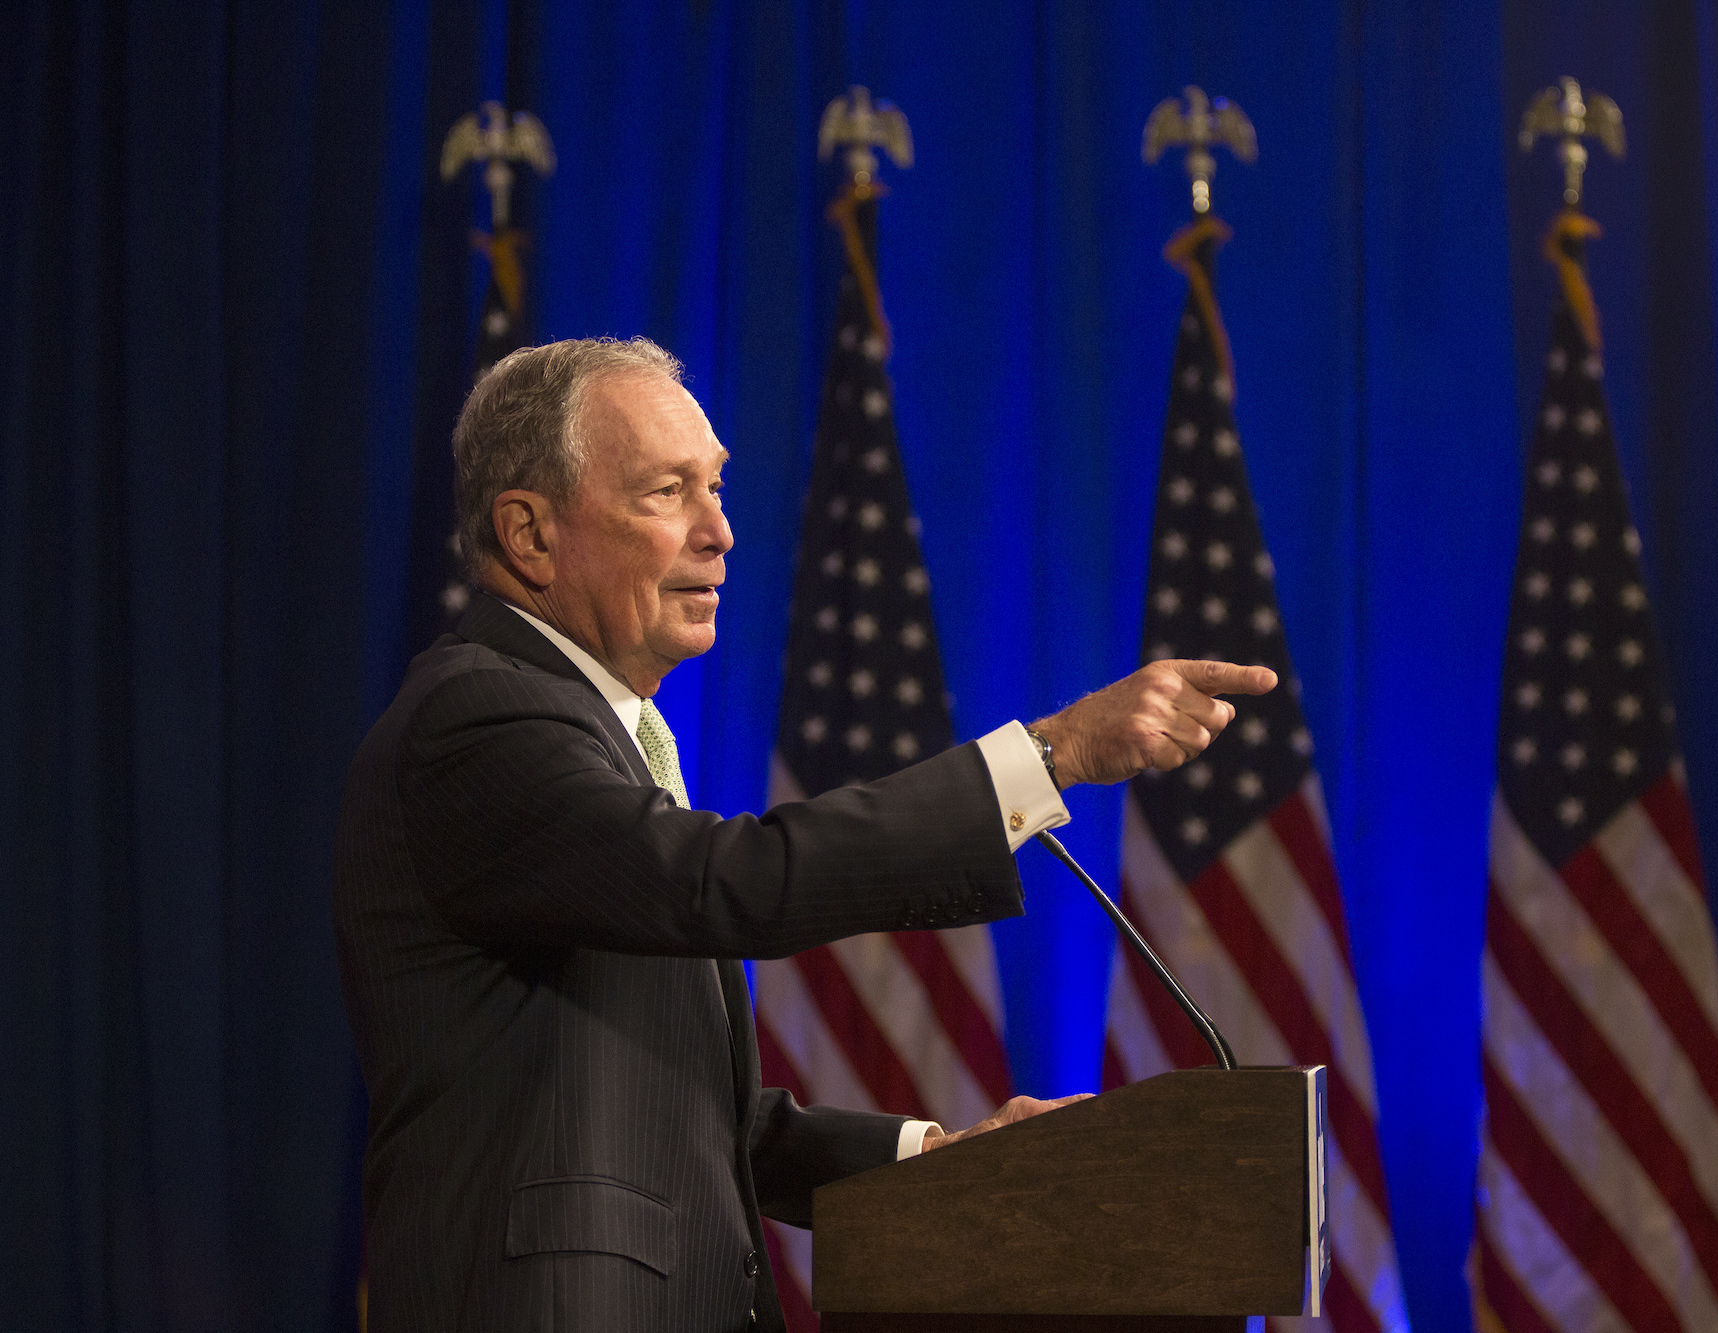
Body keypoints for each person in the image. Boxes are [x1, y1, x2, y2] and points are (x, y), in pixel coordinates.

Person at [333, 336, 1275, 1332]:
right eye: (666, 493)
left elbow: (704, 1125)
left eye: (716, 487)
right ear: (528, 534)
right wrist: (1047, 756)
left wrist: (938, 1159)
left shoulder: (604, 738)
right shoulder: (477, 720)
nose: (720, 531)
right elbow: (721, 881)